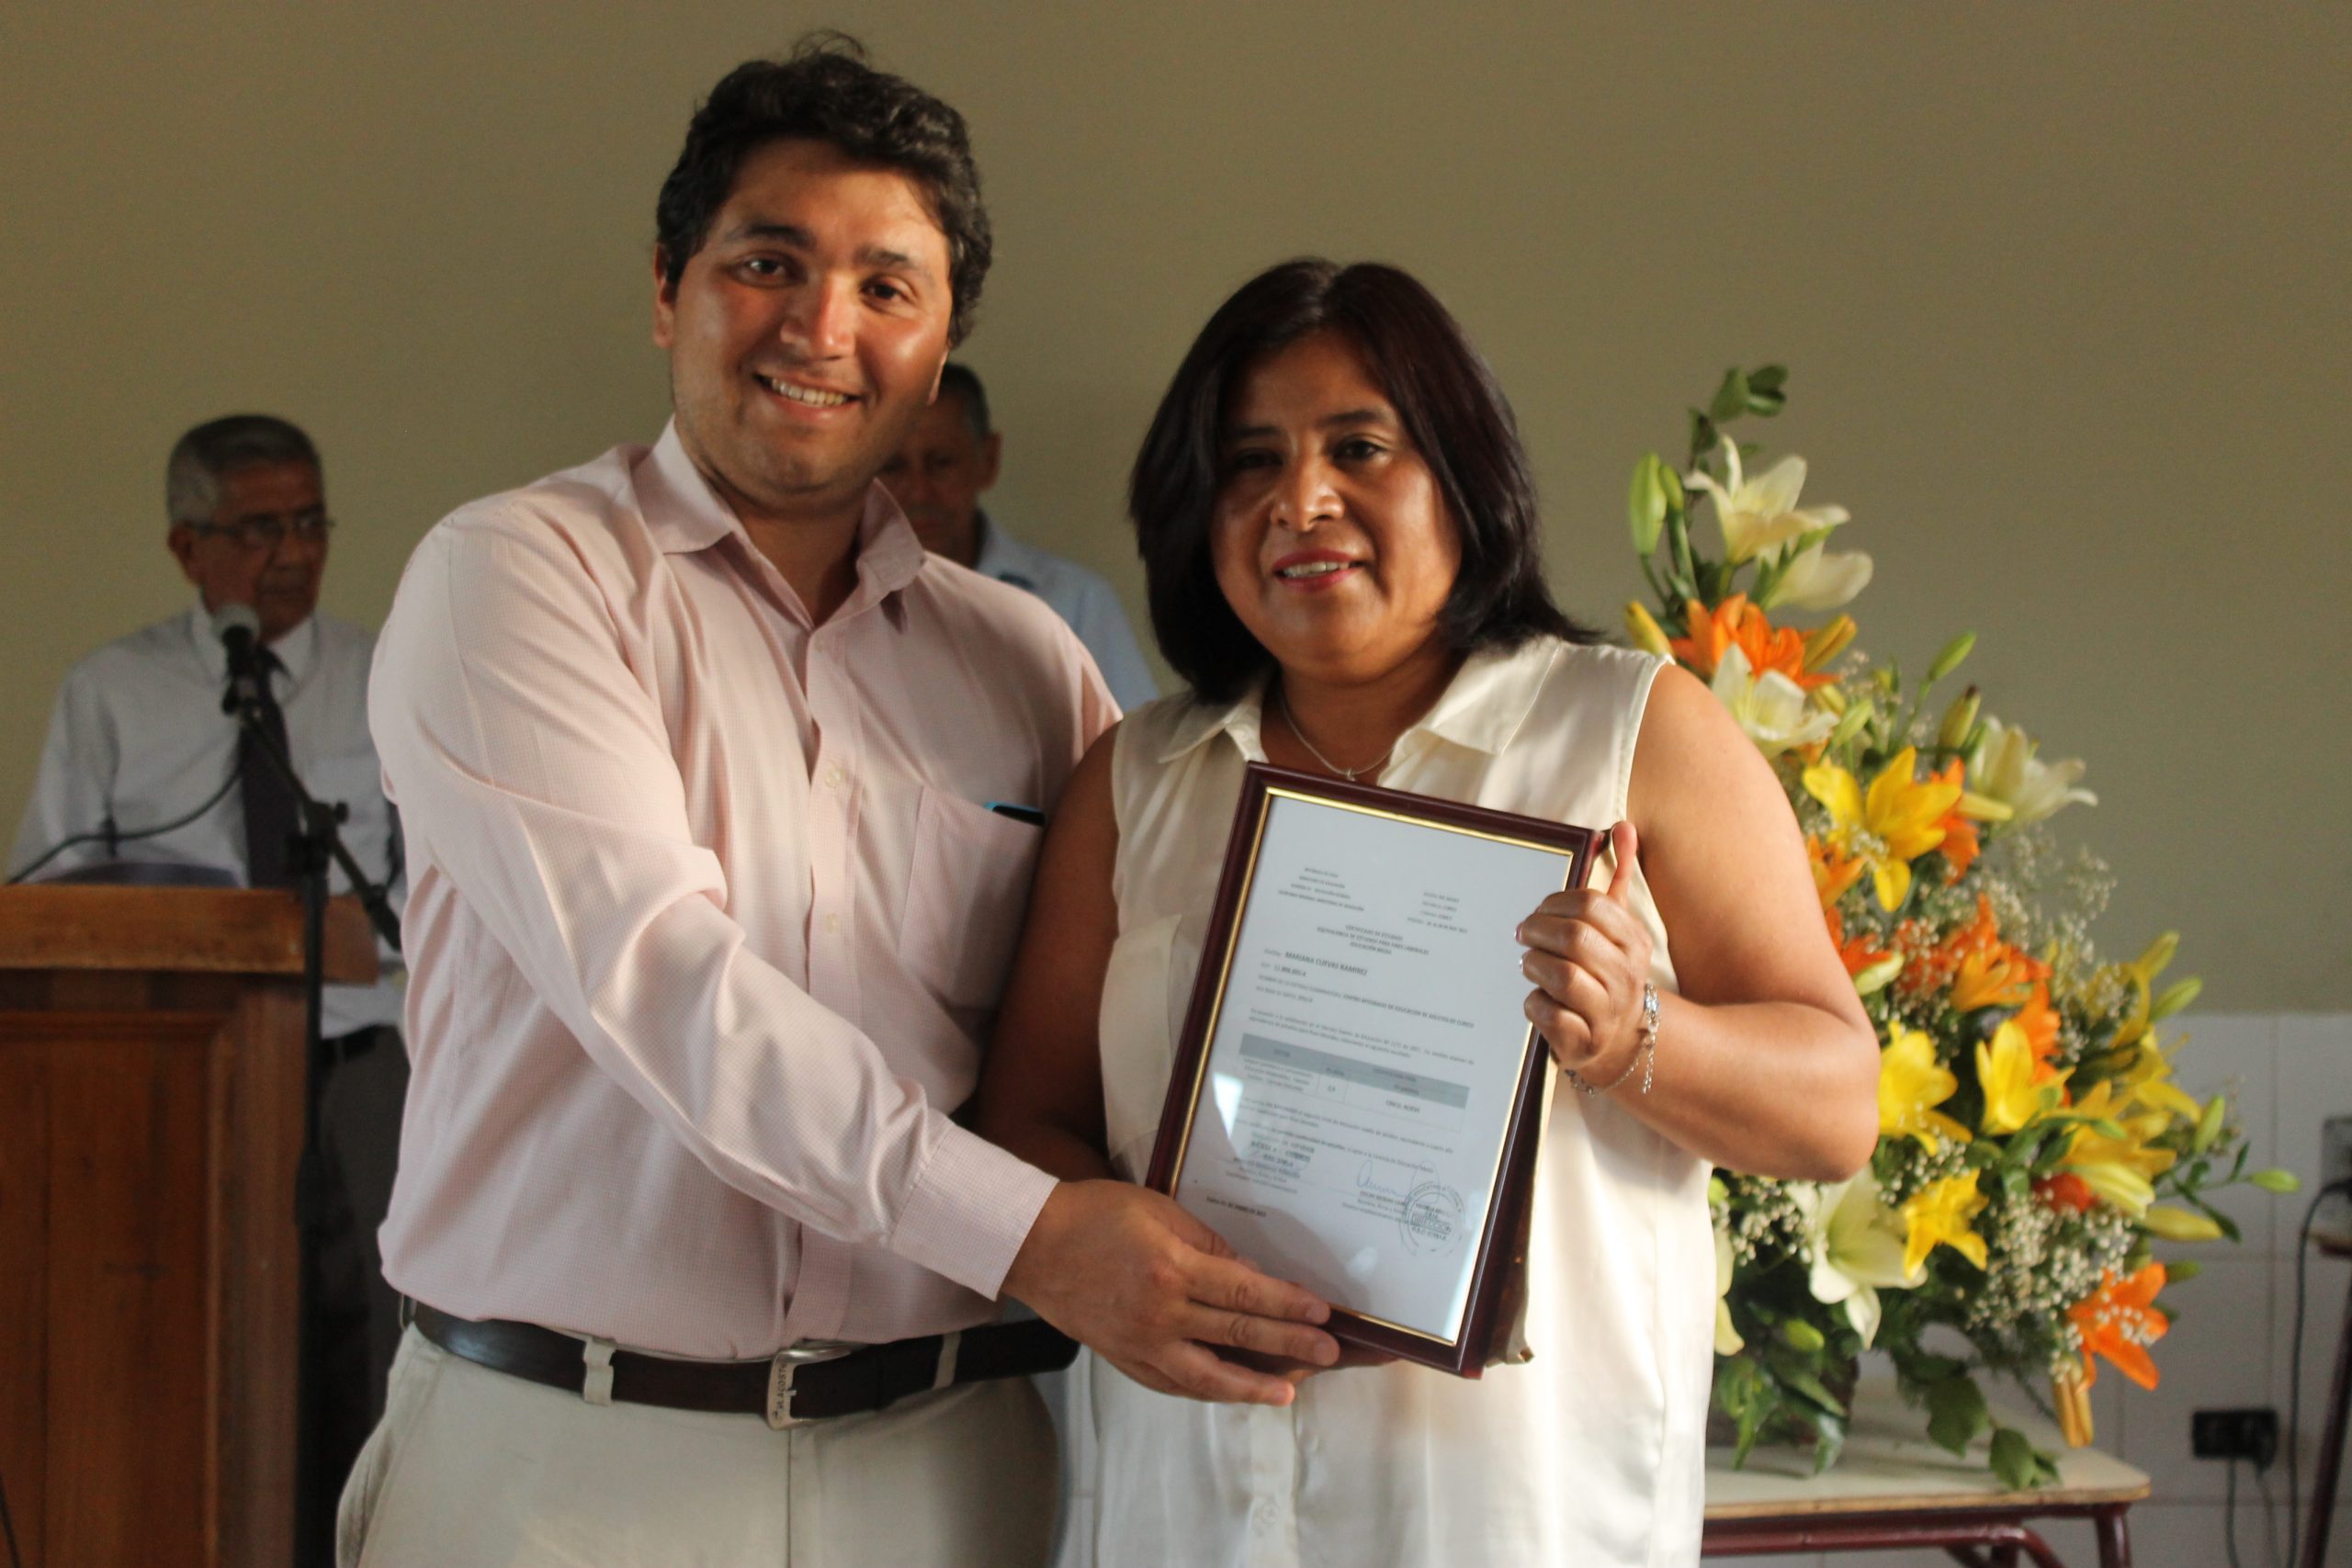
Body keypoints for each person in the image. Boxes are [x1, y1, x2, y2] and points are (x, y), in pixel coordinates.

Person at [341, 40, 1336, 1568]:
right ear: (667, 288)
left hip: (947, 1468)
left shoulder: (1027, 663)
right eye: (769, 263)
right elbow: (668, 990)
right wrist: (1036, 1235)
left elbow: (1162, 997)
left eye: (888, 286)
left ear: (939, 354)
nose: (820, 327)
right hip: (566, 1466)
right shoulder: (519, 578)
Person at [975, 259, 1883, 1568]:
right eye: (1249, 461)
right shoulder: (1138, 778)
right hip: (1192, 1508)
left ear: (1463, 475)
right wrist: (1116, 1259)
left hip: (1519, 1523)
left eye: (1359, 448)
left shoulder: (1629, 732)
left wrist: (1636, 1031)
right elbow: (1024, 1117)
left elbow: (1838, 1104)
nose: (1300, 499)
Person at [11, 412, 409, 1564]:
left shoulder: (382, 676)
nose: (292, 553)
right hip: (181, 1080)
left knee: (378, 1348)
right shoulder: (112, 692)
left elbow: (443, 892)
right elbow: (48, 899)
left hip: (359, 1063)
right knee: (203, 1341)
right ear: (187, 548)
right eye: (257, 529)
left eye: (309, 523)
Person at [880, 362, 1159, 708]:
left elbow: (1130, 735)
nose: (919, 492)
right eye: (892, 467)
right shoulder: (840, 601)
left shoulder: (1076, 602)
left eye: (941, 463)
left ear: (988, 459)